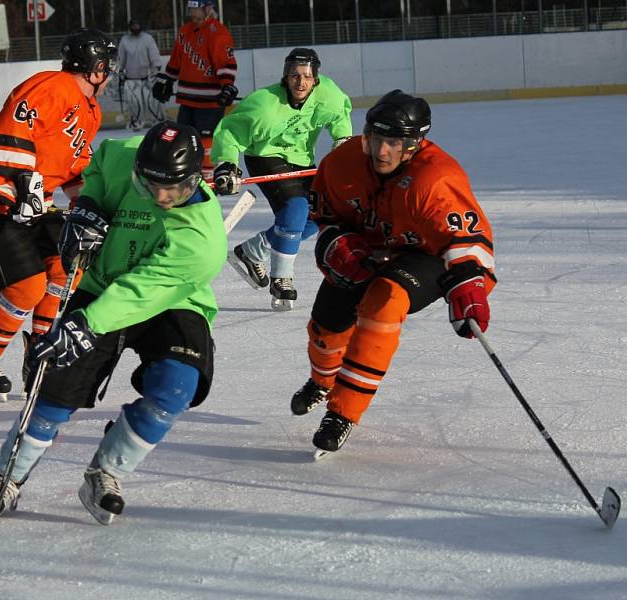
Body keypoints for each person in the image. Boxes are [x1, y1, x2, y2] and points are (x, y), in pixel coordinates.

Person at [0, 121, 228, 526]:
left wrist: (85, 326)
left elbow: (140, 293)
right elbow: (97, 166)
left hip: (171, 299)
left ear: (196, 179)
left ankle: (105, 471)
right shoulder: (124, 156)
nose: (162, 197)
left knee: (176, 386)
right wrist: (89, 206)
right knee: (57, 388)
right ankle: (9, 476)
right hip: (100, 283)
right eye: (150, 185)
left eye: (176, 189)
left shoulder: (203, 240)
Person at [290, 90, 495, 455]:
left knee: (384, 302)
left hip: (423, 256)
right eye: (375, 139)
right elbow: (324, 217)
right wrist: (337, 242)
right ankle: (322, 380)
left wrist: (469, 288)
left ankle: (343, 413)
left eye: (394, 143)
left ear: (414, 145)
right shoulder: (341, 163)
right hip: (366, 251)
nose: (382, 151)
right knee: (326, 327)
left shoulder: (436, 181)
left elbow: (467, 242)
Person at [0, 28, 116, 402]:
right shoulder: (53, 85)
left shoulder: (90, 111)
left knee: (69, 268)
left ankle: (41, 349)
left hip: (34, 201)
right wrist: (24, 182)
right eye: (107, 66)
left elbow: (76, 169)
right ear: (96, 69)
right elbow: (15, 130)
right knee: (25, 288)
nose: (110, 74)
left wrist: (92, 207)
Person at [211, 48, 352, 311]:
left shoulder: (329, 95)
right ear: (285, 77)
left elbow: (340, 117)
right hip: (265, 156)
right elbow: (230, 131)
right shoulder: (264, 105)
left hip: (301, 161)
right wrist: (227, 164)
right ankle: (281, 279)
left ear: (316, 79)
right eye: (295, 76)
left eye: (307, 76)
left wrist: (342, 143)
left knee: (322, 214)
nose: (301, 82)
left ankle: (255, 250)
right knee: (296, 208)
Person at [152, 0, 237, 180]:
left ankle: (207, 181)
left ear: (207, 9)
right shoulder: (184, 31)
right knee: (183, 138)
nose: (193, 12)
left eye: (196, 8)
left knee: (206, 141)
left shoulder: (218, 32)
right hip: (187, 100)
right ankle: (188, 176)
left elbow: (225, 63)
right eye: (191, 8)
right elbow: (176, 61)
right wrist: (165, 80)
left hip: (210, 102)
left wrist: (227, 86)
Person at [117, 18, 165, 130]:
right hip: (131, 78)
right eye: (133, 26)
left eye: (137, 25)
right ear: (130, 27)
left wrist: (156, 66)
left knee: (153, 102)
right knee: (134, 104)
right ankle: (136, 122)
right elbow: (121, 57)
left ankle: (158, 122)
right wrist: (120, 70)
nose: (135, 28)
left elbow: (154, 54)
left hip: (147, 78)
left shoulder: (147, 39)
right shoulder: (125, 40)